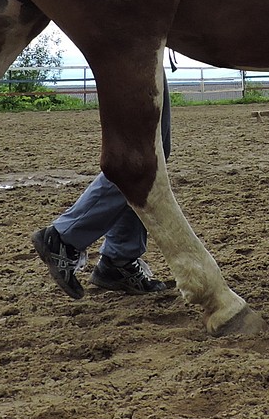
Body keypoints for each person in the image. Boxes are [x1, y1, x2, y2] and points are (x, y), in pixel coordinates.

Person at [32, 73, 173, 298]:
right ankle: (64, 238)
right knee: (142, 154)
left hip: (139, 48)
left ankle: (119, 259)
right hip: (134, 48)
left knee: (148, 152)